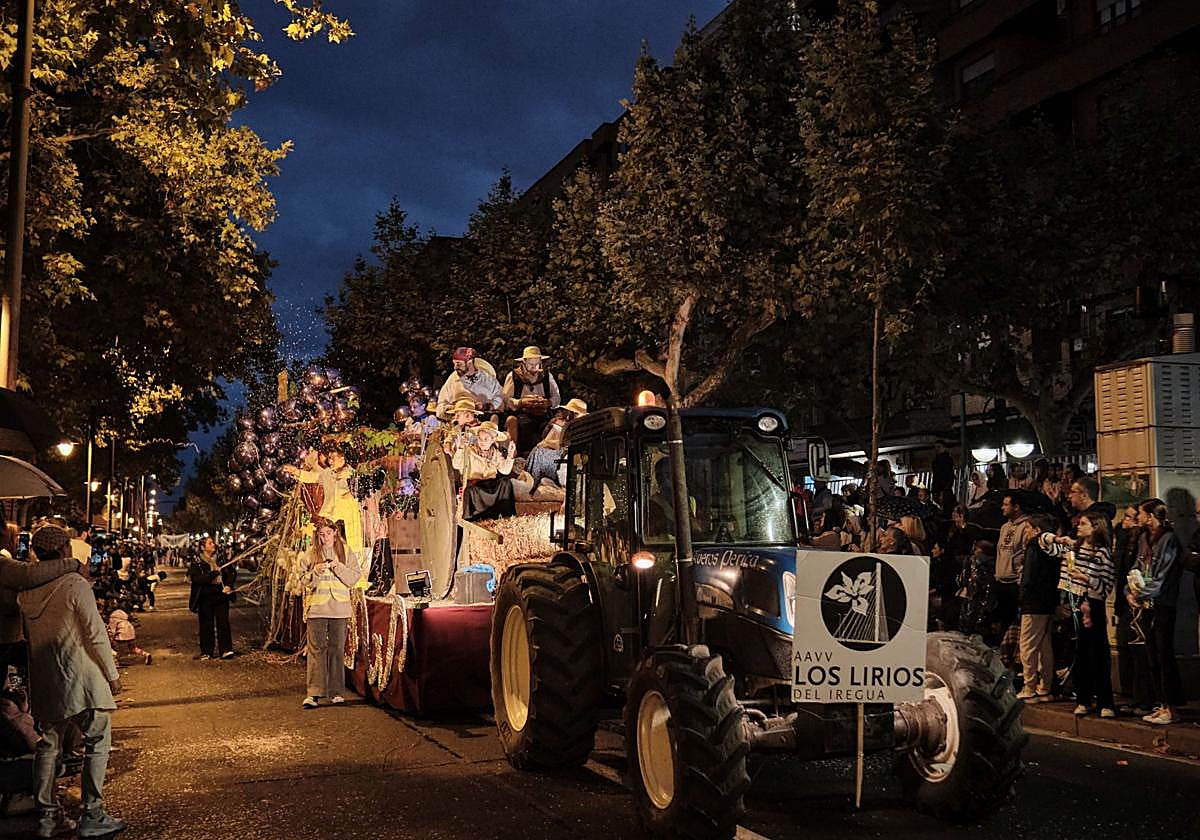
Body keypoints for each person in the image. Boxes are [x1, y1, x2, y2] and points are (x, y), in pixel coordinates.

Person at [16, 528, 126, 838]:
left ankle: (49, 818)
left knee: (48, 747)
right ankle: (93, 814)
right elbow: (95, 633)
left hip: (46, 678)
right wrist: (112, 674)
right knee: (97, 741)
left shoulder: (25, 591)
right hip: (82, 676)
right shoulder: (75, 584)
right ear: (65, 550)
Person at [1039, 510, 1116, 718]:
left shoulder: (1102, 552)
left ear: (1095, 528)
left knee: (1098, 653)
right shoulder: (1073, 547)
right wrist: (1057, 538)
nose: (1079, 527)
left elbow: (1105, 584)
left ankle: (1105, 701)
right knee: (1079, 652)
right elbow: (1044, 543)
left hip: (1092, 603)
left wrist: (1084, 577)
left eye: (1083, 524)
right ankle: (1083, 698)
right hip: (1073, 598)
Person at [0, 526, 83, 690]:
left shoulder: (11, 562)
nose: (18, 542)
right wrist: (75, 564)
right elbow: (28, 574)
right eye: (14, 537)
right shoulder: (4, 563)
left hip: (10, 637)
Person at [1128, 498, 1186, 725]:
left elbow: (1164, 576)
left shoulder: (1168, 539)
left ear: (1151, 516)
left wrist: (1142, 593)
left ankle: (1171, 705)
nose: (1138, 518)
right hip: (1145, 602)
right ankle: (1160, 703)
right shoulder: (1144, 538)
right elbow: (1136, 566)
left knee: (1164, 653)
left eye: (1141, 513)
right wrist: (1129, 590)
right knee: (1151, 652)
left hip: (1162, 603)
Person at [301, 520, 362, 709]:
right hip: (317, 609)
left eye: (328, 533)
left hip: (340, 609)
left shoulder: (345, 551)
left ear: (335, 533)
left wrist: (337, 566)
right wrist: (315, 572)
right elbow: (303, 581)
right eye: (321, 534)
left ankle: (337, 692)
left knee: (336, 649)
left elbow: (354, 578)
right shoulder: (309, 554)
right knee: (316, 650)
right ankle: (314, 693)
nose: (324, 537)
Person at [1016, 513, 1061, 703]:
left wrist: (1022, 597)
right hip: (1048, 601)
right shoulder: (1052, 552)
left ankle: (1029, 687)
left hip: (1033, 602)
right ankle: (1045, 686)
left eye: (1027, 528)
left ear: (1037, 531)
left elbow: (1029, 577)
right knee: (1044, 645)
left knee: (1027, 645)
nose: (1024, 532)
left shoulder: (1034, 548)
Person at [452, 421, 517, 520]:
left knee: (506, 484)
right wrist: (460, 448)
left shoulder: (496, 453)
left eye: (486, 439)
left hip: (491, 485)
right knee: (471, 491)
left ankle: (506, 518)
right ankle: (473, 520)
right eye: (480, 438)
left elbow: (505, 471)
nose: (482, 441)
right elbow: (456, 464)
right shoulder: (469, 451)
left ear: (493, 440)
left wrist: (510, 456)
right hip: (476, 486)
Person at [502, 346, 561, 453]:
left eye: (536, 364)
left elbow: (556, 397)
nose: (534, 367)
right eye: (530, 364)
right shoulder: (514, 376)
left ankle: (543, 456)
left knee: (550, 427)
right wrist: (521, 402)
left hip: (543, 414)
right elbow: (506, 399)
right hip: (521, 414)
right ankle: (524, 454)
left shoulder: (546, 376)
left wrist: (548, 402)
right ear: (524, 362)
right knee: (525, 425)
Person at [188, 537, 236, 660]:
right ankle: (207, 651)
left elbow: (231, 572)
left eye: (213, 542)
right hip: (205, 596)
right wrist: (213, 574)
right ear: (203, 547)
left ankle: (226, 649)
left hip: (220, 594)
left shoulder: (221, 559)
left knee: (223, 622)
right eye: (210, 543)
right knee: (206, 624)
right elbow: (196, 579)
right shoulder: (197, 562)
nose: (213, 544)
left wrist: (229, 585)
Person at [523, 398, 587, 489]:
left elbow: (567, 445)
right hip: (556, 452)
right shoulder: (561, 422)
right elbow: (544, 436)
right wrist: (551, 425)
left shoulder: (580, 428)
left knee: (538, 453)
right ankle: (531, 481)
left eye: (574, 413)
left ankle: (532, 483)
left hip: (566, 455)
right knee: (536, 451)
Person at [436, 347, 504, 421]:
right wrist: (449, 409)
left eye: (458, 364)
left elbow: (500, 400)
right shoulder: (453, 379)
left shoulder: (487, 379)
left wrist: (486, 406)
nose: (455, 367)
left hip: (483, 420)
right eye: (454, 364)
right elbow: (441, 404)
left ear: (469, 362)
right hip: (458, 420)